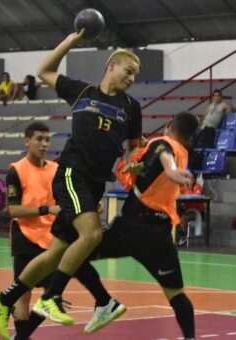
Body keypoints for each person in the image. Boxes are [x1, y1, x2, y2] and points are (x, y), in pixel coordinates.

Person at [0, 30, 142, 333]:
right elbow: (44, 71)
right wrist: (71, 41)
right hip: (72, 173)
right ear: (111, 66)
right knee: (93, 233)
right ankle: (52, 296)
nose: (132, 77)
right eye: (129, 70)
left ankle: (4, 299)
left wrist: (133, 162)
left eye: (135, 74)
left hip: (96, 182)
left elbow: (134, 146)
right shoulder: (82, 92)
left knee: (57, 251)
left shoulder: (131, 107)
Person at [0, 122, 126, 339]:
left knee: (52, 295)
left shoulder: (56, 169)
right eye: (39, 139)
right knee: (23, 295)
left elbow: (70, 196)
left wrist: (86, 206)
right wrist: (46, 209)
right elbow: (13, 210)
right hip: (25, 236)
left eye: (47, 140)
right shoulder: (17, 170)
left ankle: (18, 330)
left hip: (50, 237)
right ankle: (20, 333)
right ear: (27, 141)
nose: (44, 144)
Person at [85, 112, 199, 340]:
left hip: (133, 227)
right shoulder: (182, 152)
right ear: (189, 138)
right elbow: (161, 162)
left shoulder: (163, 145)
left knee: (76, 256)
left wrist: (172, 172)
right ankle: (190, 338)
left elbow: (166, 161)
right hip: (160, 236)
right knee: (176, 295)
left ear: (168, 125)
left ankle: (103, 301)